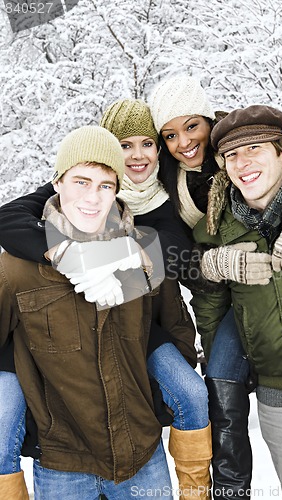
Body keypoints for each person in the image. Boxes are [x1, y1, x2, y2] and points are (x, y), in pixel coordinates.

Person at [0, 100, 212, 500]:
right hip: (63, 460)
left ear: (118, 189)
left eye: (105, 186)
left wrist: (156, 395)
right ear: (58, 183)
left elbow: (176, 322)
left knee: (190, 391)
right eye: (81, 182)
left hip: (139, 450)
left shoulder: (146, 243)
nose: (93, 198)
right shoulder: (18, 266)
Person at [148, 75, 282, 499]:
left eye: (191, 127)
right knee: (220, 378)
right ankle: (231, 488)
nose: (184, 142)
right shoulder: (159, 180)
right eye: (170, 135)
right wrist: (209, 263)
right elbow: (161, 260)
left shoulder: (243, 139)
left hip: (271, 276)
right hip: (229, 288)